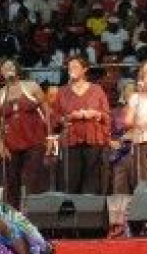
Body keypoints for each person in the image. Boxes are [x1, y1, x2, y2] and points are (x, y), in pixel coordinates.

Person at [0, 58, 52, 209]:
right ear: (1, 73)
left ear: (17, 69)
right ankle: (13, 220)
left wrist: (50, 136)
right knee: (11, 184)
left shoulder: (31, 87)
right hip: (11, 145)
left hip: (35, 142)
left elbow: (47, 112)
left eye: (11, 66)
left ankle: (38, 217)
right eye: (5, 68)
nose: (9, 69)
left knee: (34, 181)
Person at [52, 55, 110, 194]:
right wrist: (69, 117)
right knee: (71, 182)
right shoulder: (62, 92)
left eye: (75, 67)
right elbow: (55, 117)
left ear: (85, 69)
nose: (72, 70)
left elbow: (106, 115)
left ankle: (90, 213)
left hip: (92, 139)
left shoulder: (97, 90)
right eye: (70, 67)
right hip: (71, 141)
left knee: (92, 182)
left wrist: (95, 114)